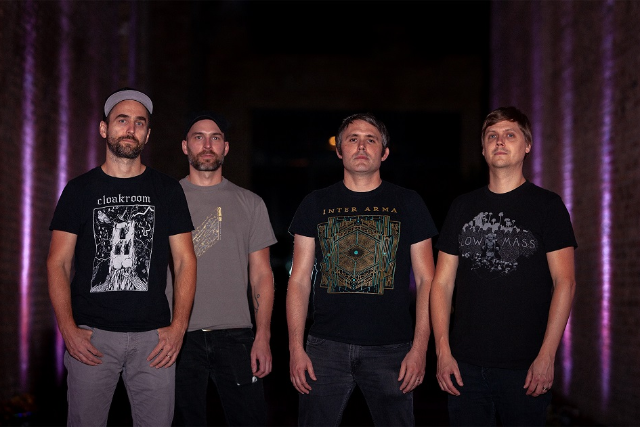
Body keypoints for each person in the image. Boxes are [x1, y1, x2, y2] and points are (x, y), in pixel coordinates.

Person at [46, 87, 197, 426]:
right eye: (122, 120)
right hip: (92, 337)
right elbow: (58, 262)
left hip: (154, 339)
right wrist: (68, 329)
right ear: (104, 128)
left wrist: (178, 328)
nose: (130, 129)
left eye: (139, 123)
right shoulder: (79, 190)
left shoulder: (167, 190)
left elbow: (186, 261)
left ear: (147, 134)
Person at [287, 113, 438, 426]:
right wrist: (295, 348)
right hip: (325, 347)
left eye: (371, 139)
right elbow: (299, 281)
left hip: (392, 348)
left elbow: (427, 280)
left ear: (384, 152)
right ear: (339, 150)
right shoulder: (315, 203)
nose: (361, 146)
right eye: (352, 139)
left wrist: (420, 347)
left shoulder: (408, 203)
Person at [430, 106, 577, 426]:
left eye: (510, 135)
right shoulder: (462, 206)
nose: (499, 141)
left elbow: (565, 282)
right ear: (483, 149)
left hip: (526, 368)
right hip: (464, 366)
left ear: (527, 145)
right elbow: (441, 283)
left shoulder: (548, 206)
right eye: (491, 136)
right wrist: (442, 352)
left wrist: (547, 355)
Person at [171, 111, 277, 426]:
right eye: (198, 137)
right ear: (185, 146)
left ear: (226, 147)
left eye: (215, 138)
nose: (207, 145)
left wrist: (263, 336)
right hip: (177, 336)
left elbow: (262, 275)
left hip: (237, 336)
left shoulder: (251, 203)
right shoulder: (165, 200)